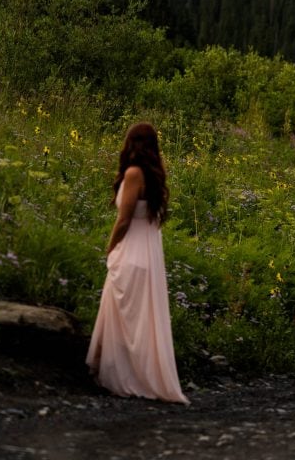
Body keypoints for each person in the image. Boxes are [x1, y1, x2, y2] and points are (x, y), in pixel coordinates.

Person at [86, 122, 189, 404]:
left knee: (124, 316)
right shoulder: (155, 176)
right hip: (149, 251)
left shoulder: (133, 173)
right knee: (140, 319)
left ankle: (121, 376)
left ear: (131, 144)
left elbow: (124, 218)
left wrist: (110, 247)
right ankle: (138, 373)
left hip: (132, 248)